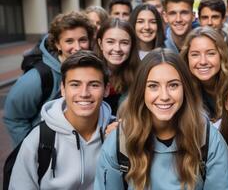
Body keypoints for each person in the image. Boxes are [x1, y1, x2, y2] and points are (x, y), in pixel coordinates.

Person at [94, 48, 228, 190]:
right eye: (153, 86)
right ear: (141, 91)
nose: (164, 96)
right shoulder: (119, 143)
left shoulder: (209, 140)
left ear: (185, 89)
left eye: (173, 85)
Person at [8, 50, 113, 189]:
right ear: (63, 89)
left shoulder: (117, 132)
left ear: (106, 89)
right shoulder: (39, 138)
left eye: (94, 85)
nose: (84, 93)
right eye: (75, 84)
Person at [4, 11, 95, 146]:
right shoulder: (37, 78)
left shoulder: (92, 69)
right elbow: (15, 118)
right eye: (69, 41)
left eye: (82, 40)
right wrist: (33, 150)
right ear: (58, 44)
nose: (77, 47)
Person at [180, 26, 228, 125]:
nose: (203, 62)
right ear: (187, 58)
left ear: (221, 55)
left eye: (210, 53)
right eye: (195, 54)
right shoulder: (182, 90)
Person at [95, 18, 140, 114]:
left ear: (132, 45)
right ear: (100, 44)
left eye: (124, 43)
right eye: (110, 42)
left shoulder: (141, 76)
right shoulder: (86, 71)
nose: (117, 48)